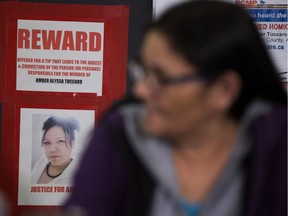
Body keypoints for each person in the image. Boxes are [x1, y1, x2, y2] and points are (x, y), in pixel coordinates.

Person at [63, 1, 287, 216]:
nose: (140, 91)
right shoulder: (118, 134)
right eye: (143, 71)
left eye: (161, 78)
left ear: (224, 90)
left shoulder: (276, 141)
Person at [32, 116, 80, 184]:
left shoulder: (79, 175)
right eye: (47, 142)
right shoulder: (41, 162)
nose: (52, 149)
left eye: (60, 141)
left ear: (72, 143)